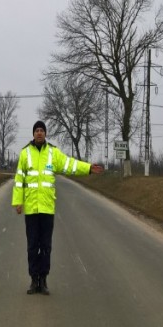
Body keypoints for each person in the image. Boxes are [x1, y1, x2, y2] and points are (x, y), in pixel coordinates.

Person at [12, 120, 104, 295]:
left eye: (42, 130)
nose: (39, 133)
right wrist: (18, 202)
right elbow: (18, 181)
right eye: (37, 130)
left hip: (47, 209)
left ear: (45, 134)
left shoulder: (53, 153)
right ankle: (33, 280)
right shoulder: (25, 154)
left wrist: (88, 168)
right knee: (32, 246)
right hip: (31, 210)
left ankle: (44, 280)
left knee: (45, 246)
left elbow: (70, 165)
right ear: (33, 134)